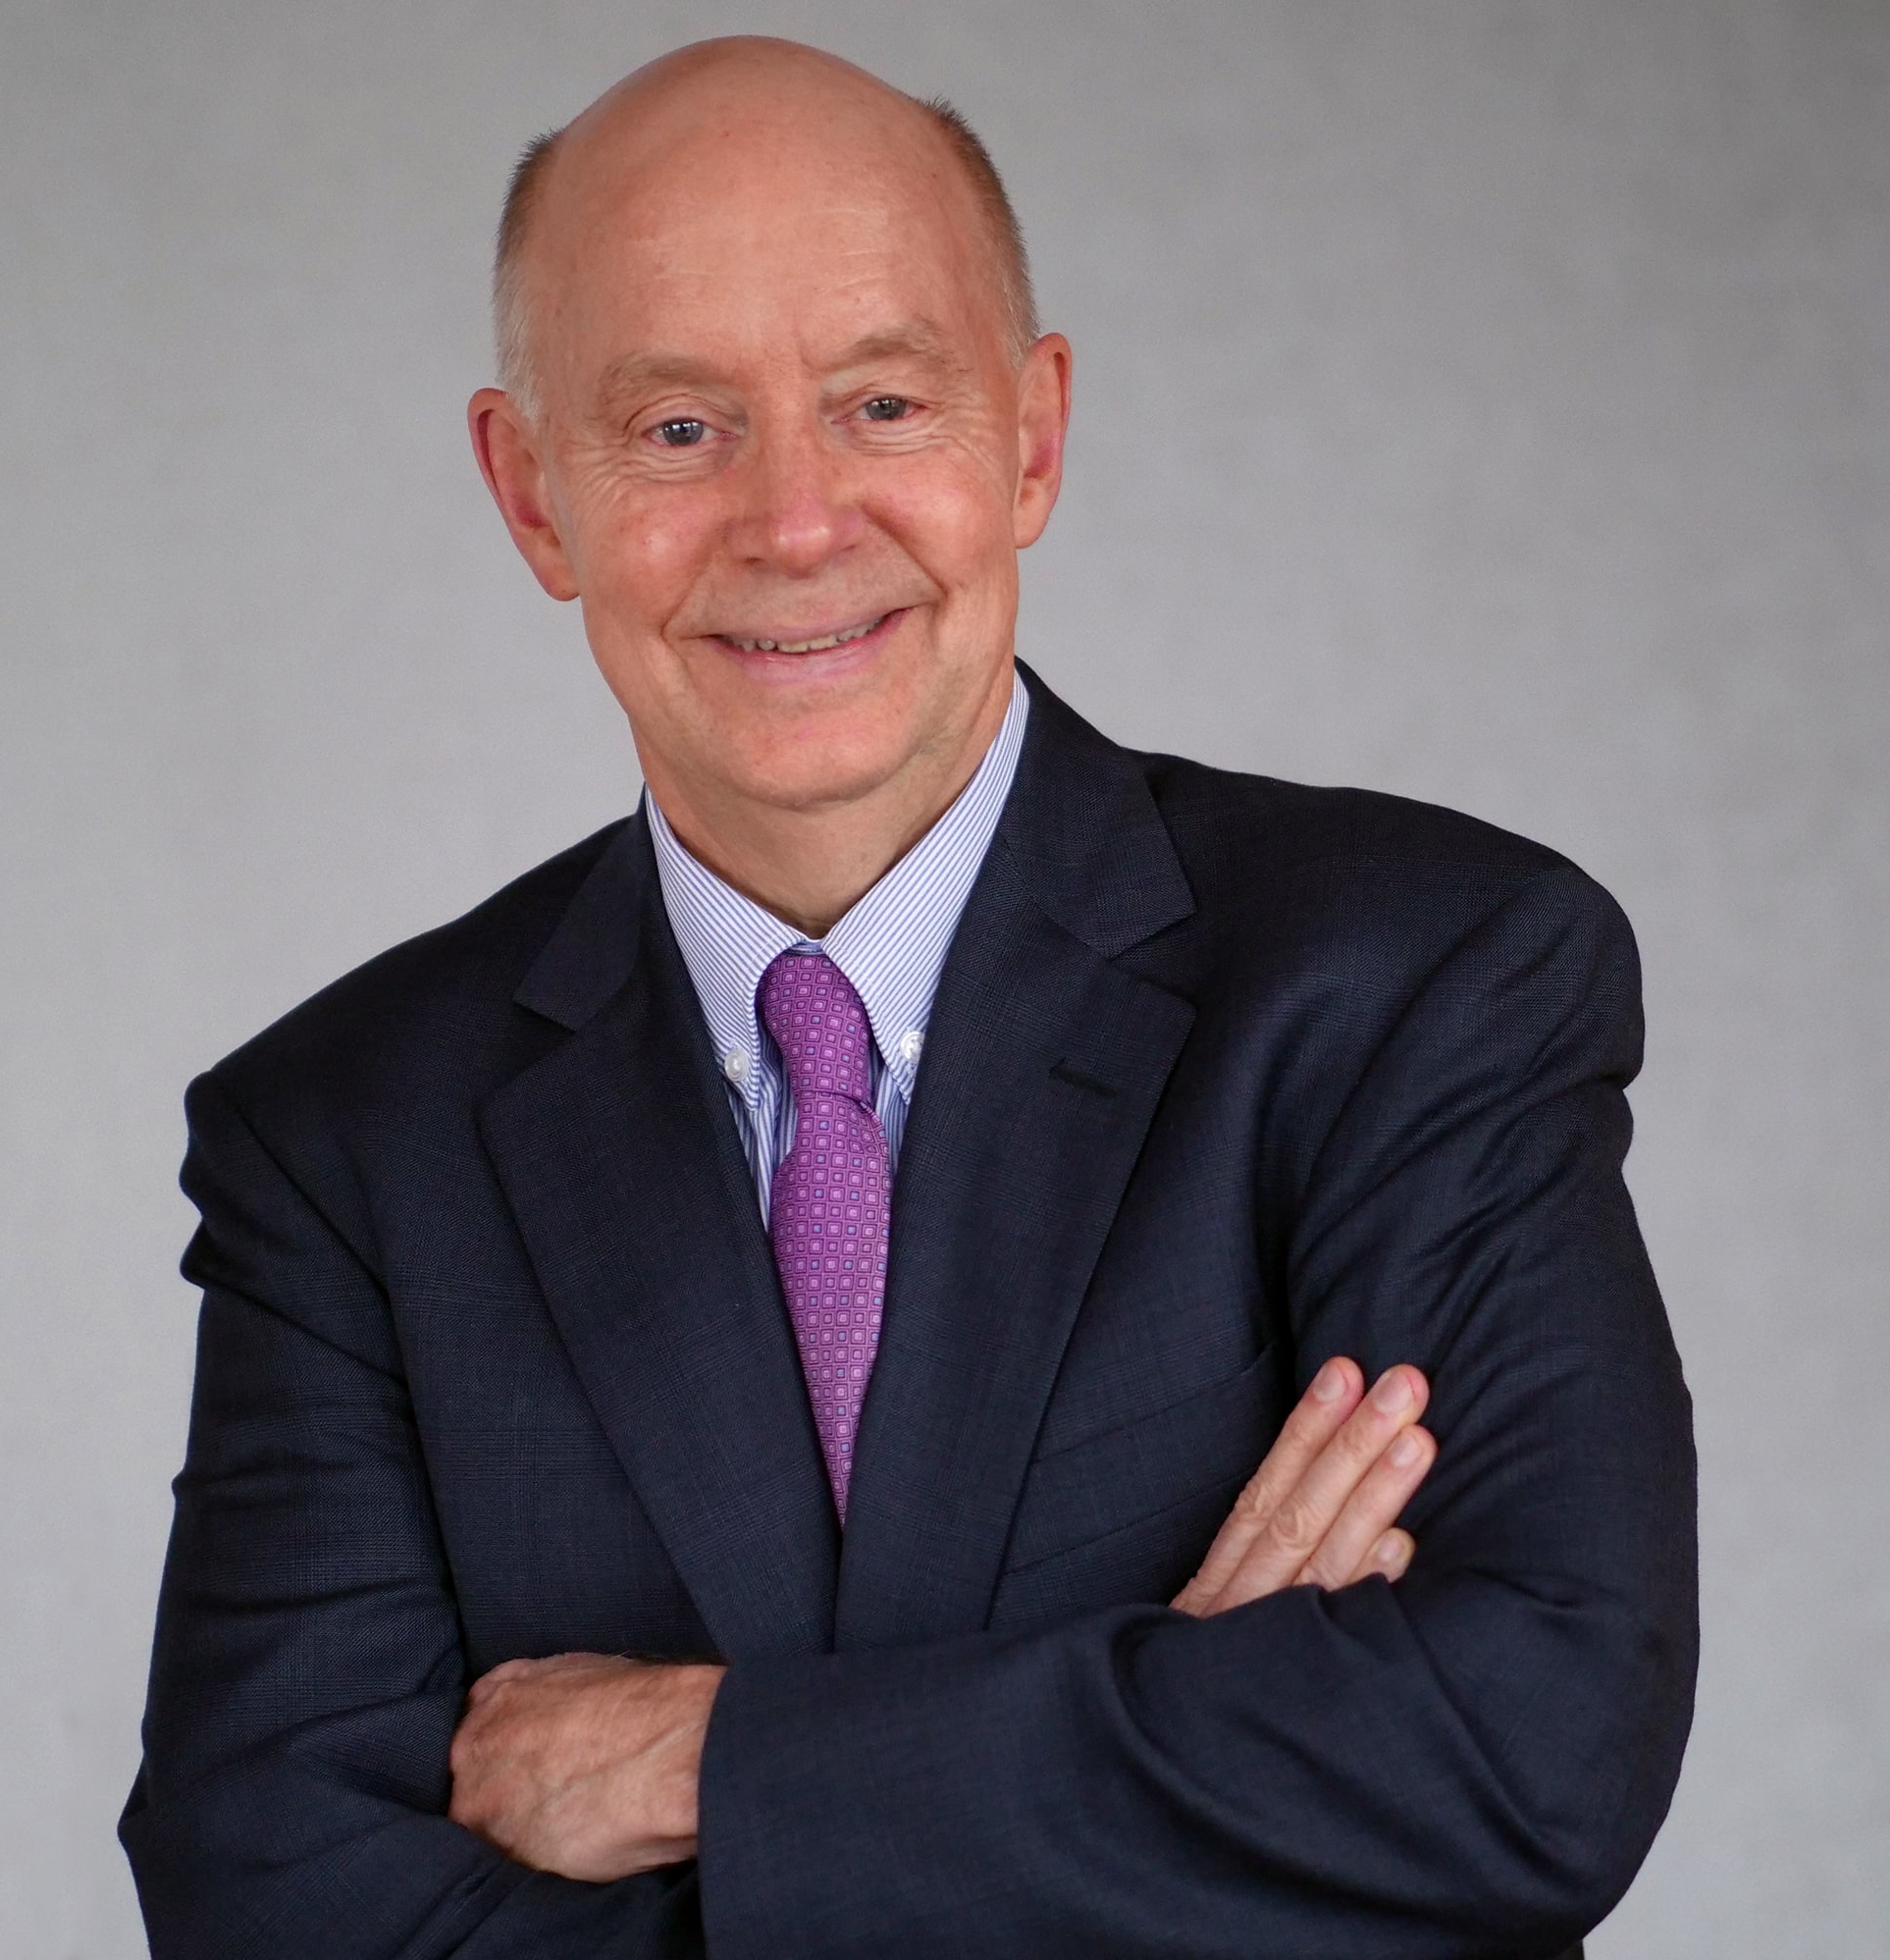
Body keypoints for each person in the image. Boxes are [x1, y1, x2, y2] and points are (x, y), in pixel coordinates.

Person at [120, 36, 1696, 1960]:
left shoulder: (1414, 983)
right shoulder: (349, 1145)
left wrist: (714, 1760)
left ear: (1029, 440)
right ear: (533, 496)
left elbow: (1526, 1748)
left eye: (880, 401)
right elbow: (274, 1904)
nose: (795, 522)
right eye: (679, 429)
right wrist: (1177, 1743)